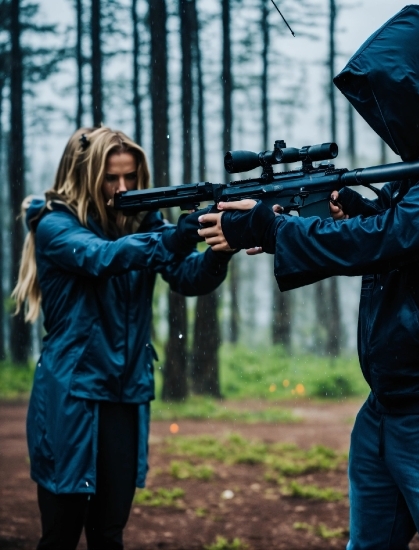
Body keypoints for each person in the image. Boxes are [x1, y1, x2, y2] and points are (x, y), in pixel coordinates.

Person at [197, 5, 419, 549]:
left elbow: (396, 236)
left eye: (394, 96)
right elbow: (399, 241)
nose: (386, 113)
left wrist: (274, 228)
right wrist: (333, 214)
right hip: (392, 402)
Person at [13, 126, 232, 550]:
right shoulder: (54, 225)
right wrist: (177, 234)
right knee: (60, 534)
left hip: (127, 390)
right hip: (72, 393)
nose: (122, 188)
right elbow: (101, 257)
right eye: (111, 178)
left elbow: (187, 277)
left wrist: (219, 247)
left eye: (131, 177)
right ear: (86, 176)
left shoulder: (144, 221)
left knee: (109, 532)